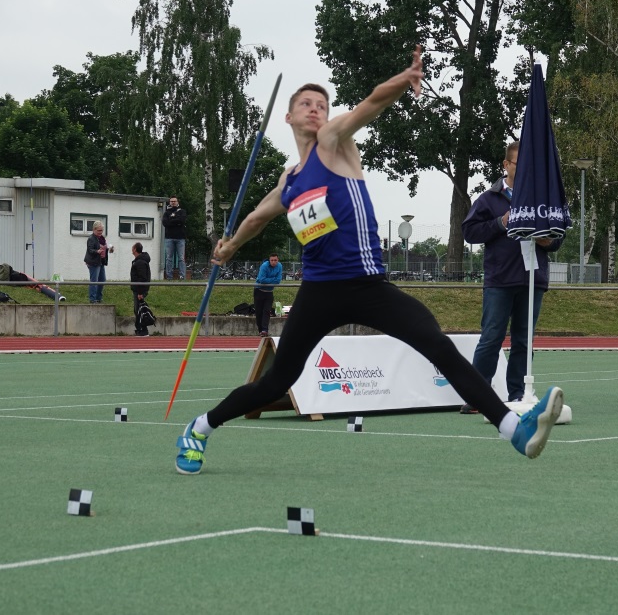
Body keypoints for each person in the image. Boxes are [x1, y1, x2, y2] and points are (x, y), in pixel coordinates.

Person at [174, 46, 564, 476]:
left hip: (369, 286)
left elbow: (372, 103)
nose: (315, 109)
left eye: (322, 104)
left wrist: (405, 77)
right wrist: (228, 248)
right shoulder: (290, 180)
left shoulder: (333, 143)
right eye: (306, 103)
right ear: (288, 117)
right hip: (320, 292)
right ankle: (200, 427)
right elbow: (256, 217)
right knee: (275, 382)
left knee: (437, 344)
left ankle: (513, 429)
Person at [460, 142, 562, 413]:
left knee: (523, 341)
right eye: (518, 163)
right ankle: (477, 397)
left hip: (533, 279)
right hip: (500, 279)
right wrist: (500, 223)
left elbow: (557, 238)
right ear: (505, 165)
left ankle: (518, 395)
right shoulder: (488, 199)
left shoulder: (542, 199)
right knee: (492, 336)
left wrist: (546, 241)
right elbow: (470, 232)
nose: (524, 168)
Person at [84, 221, 113, 303]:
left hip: (100, 262)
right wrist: (97, 251)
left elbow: (104, 247)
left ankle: (98, 297)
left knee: (102, 279)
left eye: (101, 230)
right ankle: (92, 299)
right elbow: (90, 250)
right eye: (99, 230)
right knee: (94, 280)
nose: (100, 232)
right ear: (94, 229)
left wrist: (109, 249)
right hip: (93, 262)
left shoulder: (102, 239)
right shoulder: (91, 238)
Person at [254, 253, 283, 336]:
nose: (273, 262)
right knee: (259, 311)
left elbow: (278, 280)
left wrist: (270, 280)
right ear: (269, 260)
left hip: (269, 292)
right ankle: (260, 330)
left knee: (267, 311)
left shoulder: (279, 266)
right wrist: (273, 279)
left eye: (275, 260)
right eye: (272, 260)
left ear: (278, 260)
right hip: (259, 290)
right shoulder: (264, 266)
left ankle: (264, 330)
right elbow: (262, 279)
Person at [162, 196, 187, 280]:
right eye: (171, 201)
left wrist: (172, 219)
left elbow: (182, 220)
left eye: (174, 201)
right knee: (169, 258)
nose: (173, 202)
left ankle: (182, 276)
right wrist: (176, 220)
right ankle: (169, 277)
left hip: (180, 238)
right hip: (169, 238)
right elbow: (165, 223)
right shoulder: (166, 213)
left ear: (177, 202)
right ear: (169, 202)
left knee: (181, 258)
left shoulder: (182, 211)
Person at [130, 242, 152, 336]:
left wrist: (140, 292)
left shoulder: (140, 262)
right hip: (139, 289)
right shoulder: (140, 261)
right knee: (138, 309)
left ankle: (143, 329)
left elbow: (142, 278)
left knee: (139, 309)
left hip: (139, 290)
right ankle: (140, 328)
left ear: (135, 249)